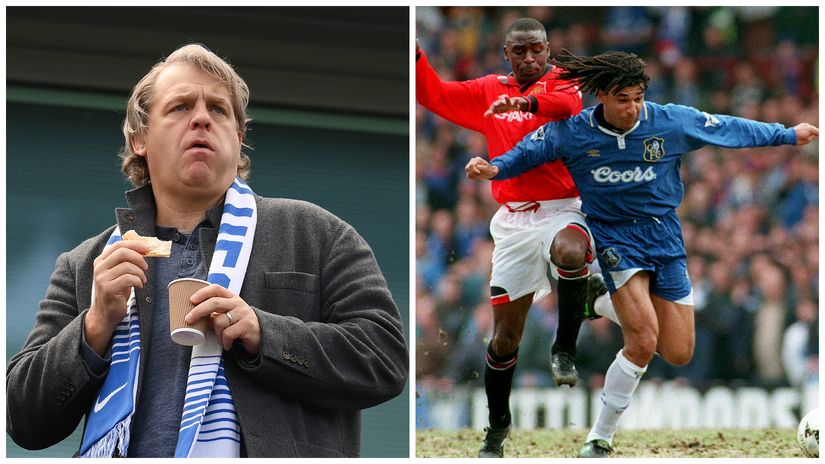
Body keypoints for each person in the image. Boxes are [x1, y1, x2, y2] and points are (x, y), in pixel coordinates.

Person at [6, 43, 408, 458]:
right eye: (180, 107)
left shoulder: (316, 233)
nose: (201, 118)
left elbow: (385, 358)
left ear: (237, 138)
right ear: (140, 138)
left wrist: (262, 333)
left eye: (218, 109)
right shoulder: (85, 266)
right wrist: (93, 327)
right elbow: (22, 418)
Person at [466, 49, 818, 457]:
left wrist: (787, 134)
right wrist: (494, 169)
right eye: (622, 100)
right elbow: (529, 150)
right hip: (614, 238)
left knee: (679, 351)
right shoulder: (575, 131)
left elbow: (727, 128)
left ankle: (591, 300)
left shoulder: (669, 121)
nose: (633, 108)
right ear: (601, 97)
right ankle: (600, 437)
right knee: (642, 340)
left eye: (637, 98)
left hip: (665, 238)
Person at [417, 18, 617, 458]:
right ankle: (497, 426)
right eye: (520, 51)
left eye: (537, 50)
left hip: (564, 207)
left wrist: (522, 105)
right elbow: (432, 94)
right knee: (504, 338)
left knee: (570, 250)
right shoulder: (489, 90)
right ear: (507, 54)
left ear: (548, 50)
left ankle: (564, 346)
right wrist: (414, 54)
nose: (530, 58)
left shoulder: (562, 81)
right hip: (512, 223)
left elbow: (564, 109)